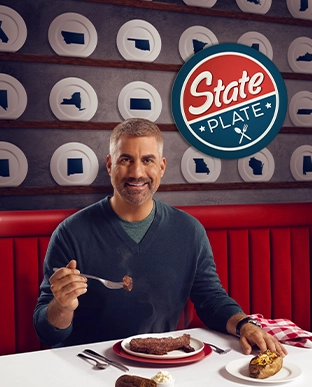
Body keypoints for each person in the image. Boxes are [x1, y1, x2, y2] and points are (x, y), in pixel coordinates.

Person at [34, 118, 287, 357]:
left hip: (163, 365)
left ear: (161, 167)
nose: (136, 172)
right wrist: (63, 306)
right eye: (126, 160)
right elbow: (46, 331)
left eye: (147, 160)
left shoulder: (189, 231)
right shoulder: (71, 233)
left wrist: (246, 324)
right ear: (110, 165)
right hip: (90, 364)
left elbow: (211, 299)